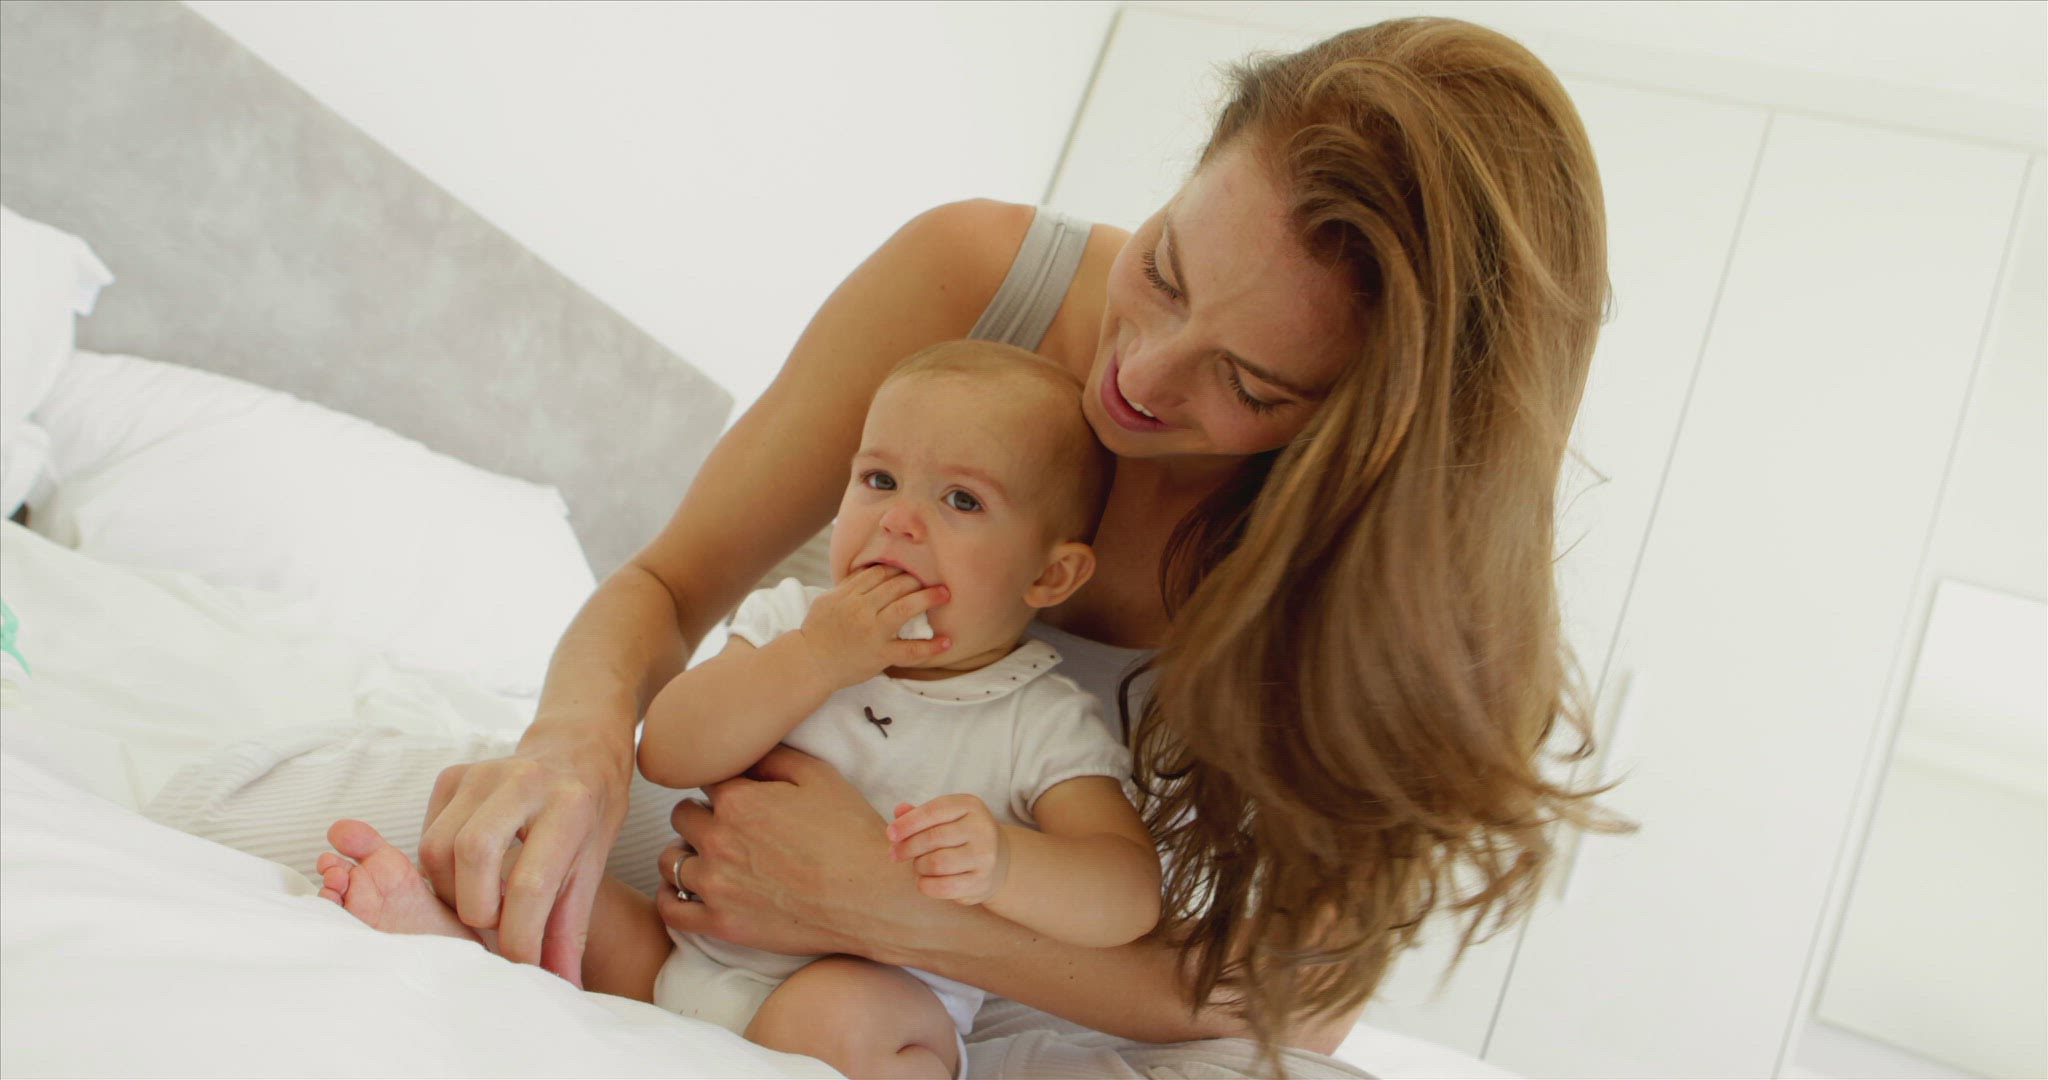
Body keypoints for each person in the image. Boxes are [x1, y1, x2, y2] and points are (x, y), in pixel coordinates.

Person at [409, 16, 1617, 1069]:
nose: (1138, 376)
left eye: (1247, 384)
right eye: (1163, 269)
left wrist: (891, 911)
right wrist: (571, 751)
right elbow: (670, 589)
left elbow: (1292, 1002)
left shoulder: (1379, 581)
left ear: (1366, 435)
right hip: (724, 872)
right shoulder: (980, 283)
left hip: (992, 974)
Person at [314, 341, 1156, 1079]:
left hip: (866, 1005)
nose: (899, 520)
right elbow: (669, 749)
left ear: (1050, 576)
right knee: (531, 855)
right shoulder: (794, 622)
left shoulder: (1039, 718)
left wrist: (1007, 864)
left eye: (961, 500)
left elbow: (1126, 892)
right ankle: (462, 951)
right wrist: (815, 657)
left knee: (841, 1019)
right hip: (678, 960)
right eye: (879, 479)